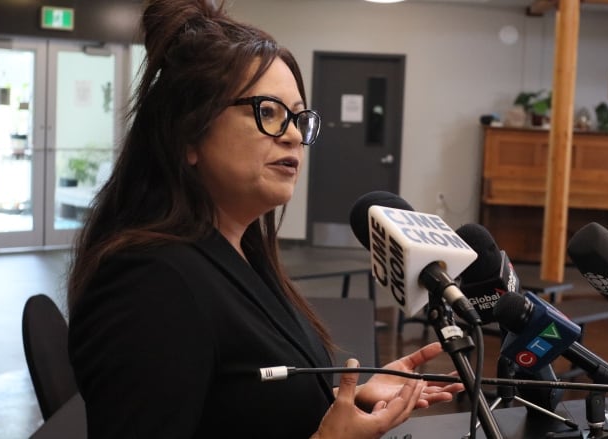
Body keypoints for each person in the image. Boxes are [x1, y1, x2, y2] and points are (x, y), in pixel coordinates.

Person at [66, 0, 463, 437]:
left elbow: (235, 406)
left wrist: (343, 401)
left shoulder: (241, 254)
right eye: (268, 112)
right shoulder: (149, 285)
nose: (293, 135)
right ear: (187, 135)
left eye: (297, 117)